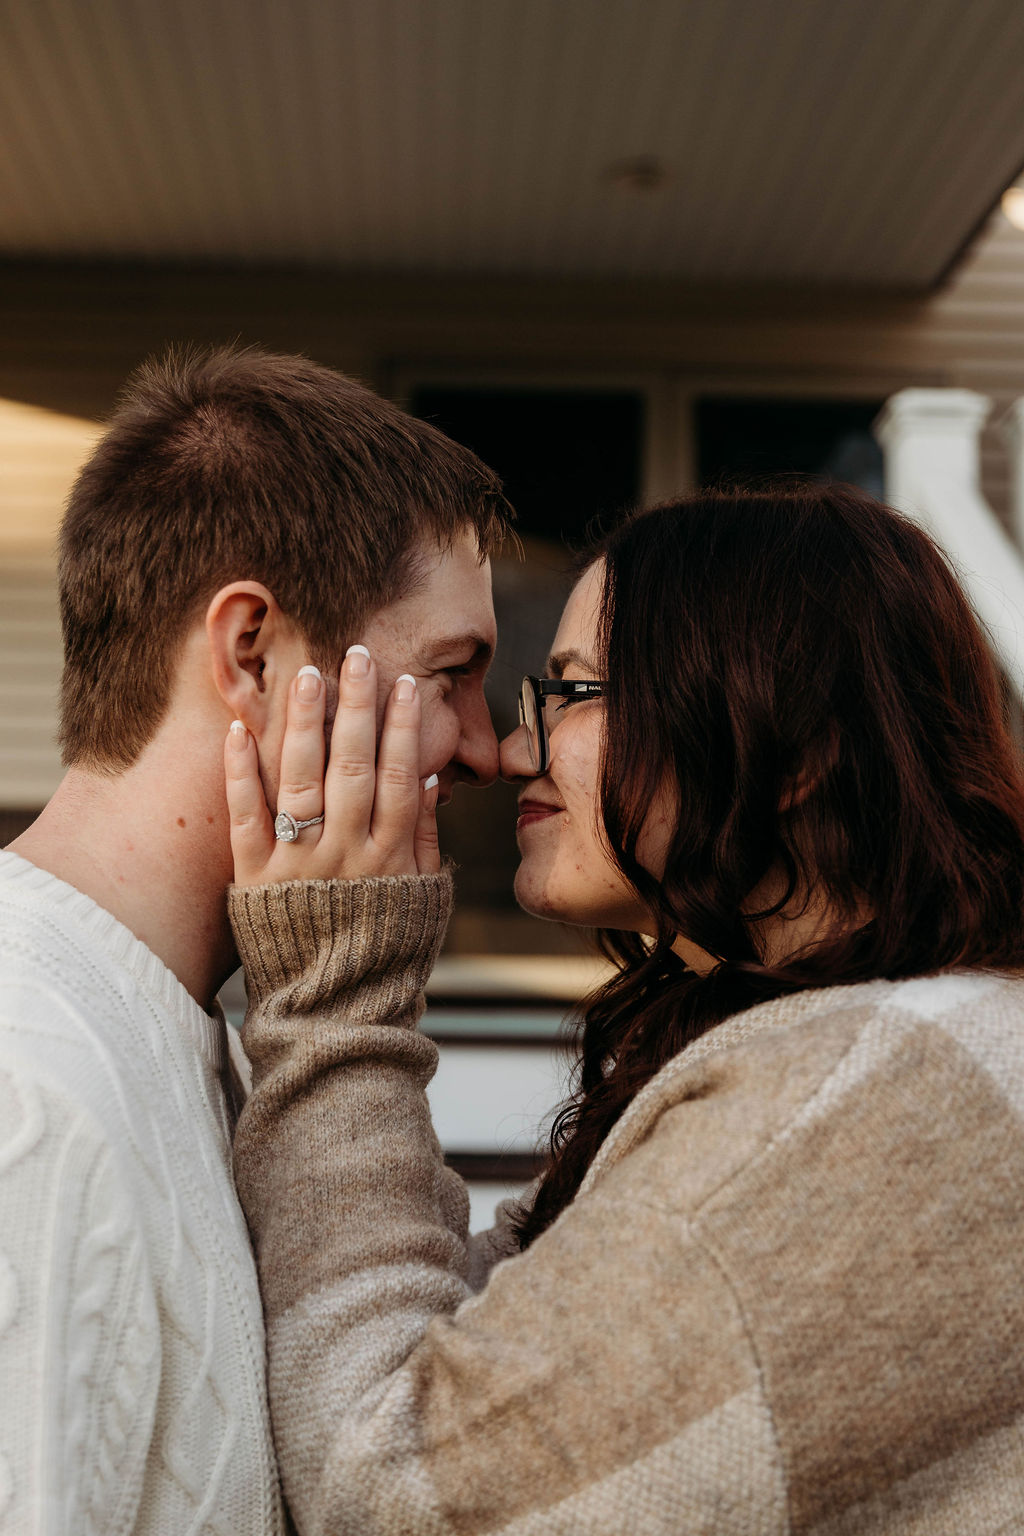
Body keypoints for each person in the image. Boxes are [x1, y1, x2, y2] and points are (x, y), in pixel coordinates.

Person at [228, 482, 1024, 1535]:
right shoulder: (864, 1048)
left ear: (798, 746)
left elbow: (400, 1487)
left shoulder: (878, 1111)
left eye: (571, 693)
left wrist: (336, 999)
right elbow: (497, 1354)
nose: (514, 751)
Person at [0, 344, 507, 1532]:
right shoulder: (29, 1091)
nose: (486, 748)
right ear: (252, 655)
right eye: (453, 673)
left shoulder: (189, 1044)